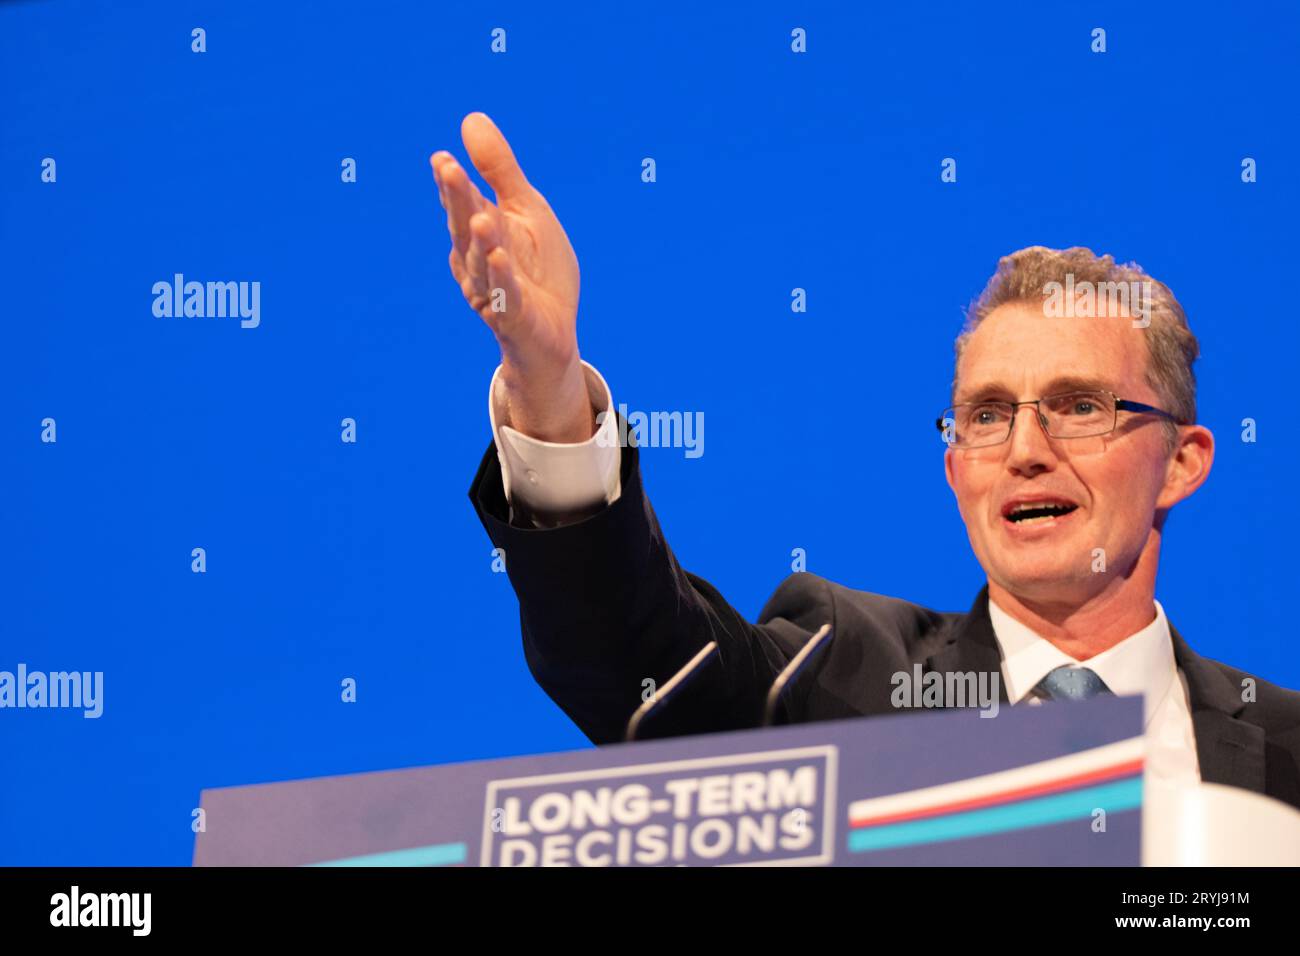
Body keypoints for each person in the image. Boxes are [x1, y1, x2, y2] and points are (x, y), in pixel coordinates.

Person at [431, 112, 1300, 811]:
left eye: (1079, 408)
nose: (1026, 452)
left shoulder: (1284, 751)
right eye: (987, 417)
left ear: (1183, 461)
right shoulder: (838, 675)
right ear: (957, 469)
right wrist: (546, 388)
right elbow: (632, 660)